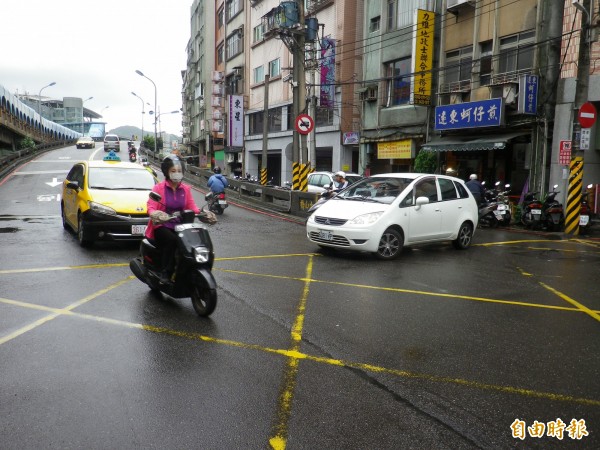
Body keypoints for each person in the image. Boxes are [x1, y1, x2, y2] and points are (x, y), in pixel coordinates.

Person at [145, 155, 201, 283]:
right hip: (162, 225)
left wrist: (204, 213)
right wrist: (155, 214)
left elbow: (192, 206)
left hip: (181, 226)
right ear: (167, 172)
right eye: (173, 171)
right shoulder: (159, 188)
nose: (177, 174)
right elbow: (151, 205)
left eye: (179, 171)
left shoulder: (185, 189)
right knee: (172, 241)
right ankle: (165, 272)